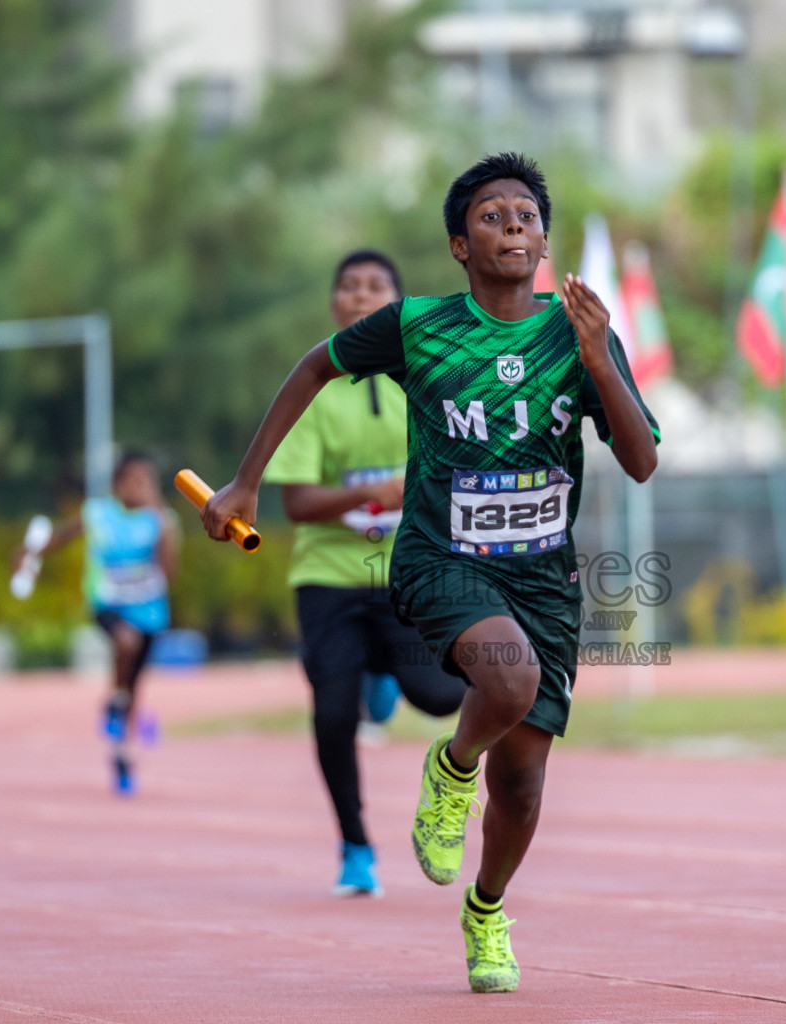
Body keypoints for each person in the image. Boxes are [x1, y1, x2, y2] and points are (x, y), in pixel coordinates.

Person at [201, 153, 658, 992]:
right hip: (441, 556)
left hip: (543, 577)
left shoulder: (579, 333)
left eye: (526, 213)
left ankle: (486, 910)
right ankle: (450, 771)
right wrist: (247, 480)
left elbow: (639, 463)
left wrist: (598, 360)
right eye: (492, 214)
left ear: (544, 237)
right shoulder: (417, 326)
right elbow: (314, 365)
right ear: (459, 244)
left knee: (520, 783)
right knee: (508, 682)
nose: (513, 223)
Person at [262, 249, 467, 898]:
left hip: (409, 570)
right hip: (328, 577)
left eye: (376, 287)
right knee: (330, 716)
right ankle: (355, 845)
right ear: (333, 305)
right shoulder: (314, 389)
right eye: (348, 287)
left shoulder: (427, 383)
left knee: (442, 696)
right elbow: (296, 503)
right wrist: (375, 491)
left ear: (398, 305)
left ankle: (383, 677)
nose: (360, 296)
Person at [17, 452, 178, 796]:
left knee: (134, 686)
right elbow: (62, 536)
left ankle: (122, 756)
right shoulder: (99, 514)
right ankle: (115, 705)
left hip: (150, 612)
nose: (141, 488)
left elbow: (169, 573)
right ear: (118, 485)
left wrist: (164, 523)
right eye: (134, 480)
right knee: (125, 642)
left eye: (148, 482)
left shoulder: (160, 520)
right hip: (108, 603)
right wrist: (30, 552)